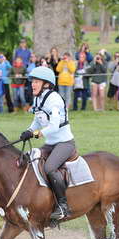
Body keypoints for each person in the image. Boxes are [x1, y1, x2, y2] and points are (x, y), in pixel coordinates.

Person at [19, 66, 75, 221]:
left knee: (49, 168)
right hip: (50, 144)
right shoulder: (38, 98)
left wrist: (36, 134)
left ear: (46, 84)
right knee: (29, 160)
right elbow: (37, 120)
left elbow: (54, 126)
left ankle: (63, 207)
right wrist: (28, 131)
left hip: (65, 143)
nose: (33, 84)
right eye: (32, 81)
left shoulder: (54, 99)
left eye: (36, 81)